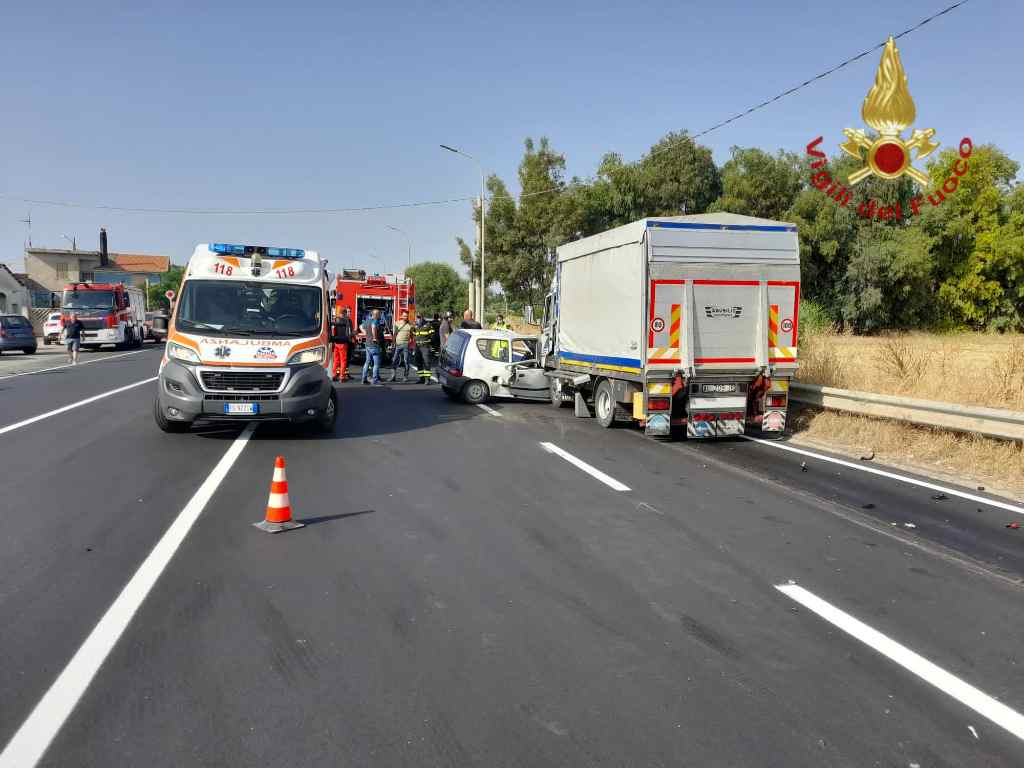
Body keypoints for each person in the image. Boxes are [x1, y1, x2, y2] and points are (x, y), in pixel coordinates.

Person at [330, 307, 354, 382]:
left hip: (336, 341)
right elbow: (349, 333)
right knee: (343, 361)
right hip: (343, 343)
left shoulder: (335, 320)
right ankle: (342, 377)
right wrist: (354, 334)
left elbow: (333, 331)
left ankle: (333, 375)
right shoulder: (347, 321)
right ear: (345, 313)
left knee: (336, 360)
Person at [361, 309, 384, 385]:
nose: (380, 315)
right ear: (375, 315)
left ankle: (363, 379)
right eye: (379, 314)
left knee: (367, 362)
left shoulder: (367, 321)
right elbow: (373, 327)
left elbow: (360, 326)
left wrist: (366, 334)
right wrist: (374, 337)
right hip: (374, 345)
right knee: (376, 364)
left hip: (367, 344)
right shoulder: (375, 321)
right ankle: (375, 380)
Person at [414, 314, 437, 384]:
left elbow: (433, 336)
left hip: (425, 347)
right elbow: (414, 335)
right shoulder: (416, 326)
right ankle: (421, 379)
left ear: (422, 318)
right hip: (418, 347)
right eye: (417, 317)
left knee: (426, 363)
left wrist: (430, 345)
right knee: (418, 363)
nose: (418, 319)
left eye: (419, 317)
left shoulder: (428, 325)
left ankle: (427, 379)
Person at [391, 311, 414, 380]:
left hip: (406, 345)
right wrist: (393, 343)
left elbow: (412, 335)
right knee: (394, 360)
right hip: (398, 344)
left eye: (406, 316)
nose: (405, 317)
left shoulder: (410, 325)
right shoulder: (397, 323)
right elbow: (395, 334)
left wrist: (412, 343)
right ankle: (393, 376)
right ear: (401, 316)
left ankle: (405, 376)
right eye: (404, 316)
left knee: (406, 361)